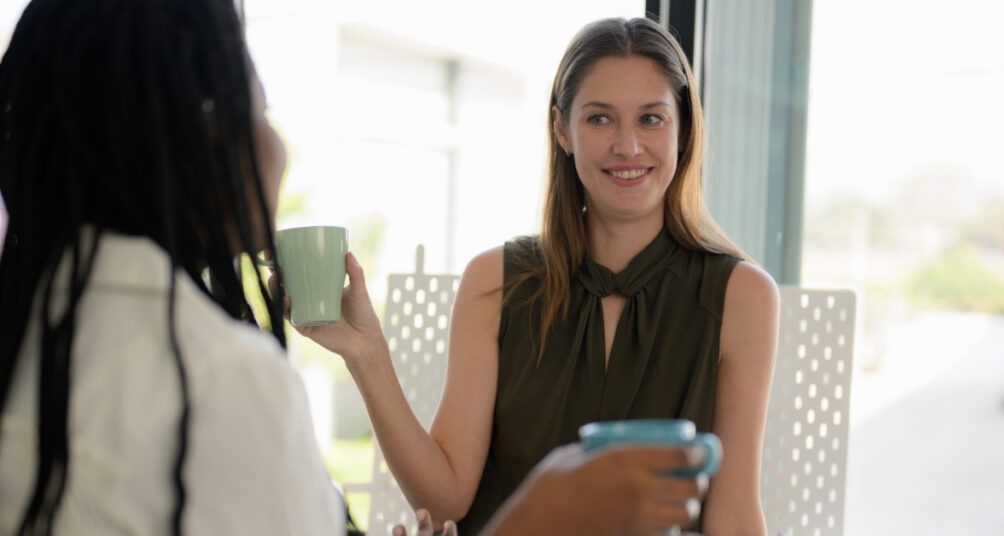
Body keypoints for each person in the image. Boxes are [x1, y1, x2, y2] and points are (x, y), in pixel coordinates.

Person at [0, 1, 709, 535]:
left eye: (650, 118)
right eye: (262, 108)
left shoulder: (36, 333)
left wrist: (367, 355)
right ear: (194, 138)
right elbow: (448, 494)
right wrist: (545, 514)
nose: (275, 147)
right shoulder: (217, 376)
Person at [299, 16, 779, 535]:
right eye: (599, 119)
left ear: (683, 129)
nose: (627, 146)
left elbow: (732, 516)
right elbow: (445, 501)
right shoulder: (494, 282)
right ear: (561, 130)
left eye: (651, 119)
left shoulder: (742, 296)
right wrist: (368, 355)